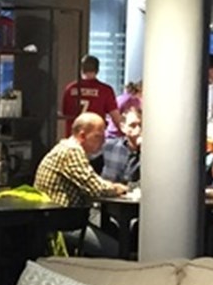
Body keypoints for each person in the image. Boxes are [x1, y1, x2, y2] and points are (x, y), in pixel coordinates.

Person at [36, 111, 129, 256]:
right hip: (63, 223)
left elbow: (91, 181)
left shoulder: (65, 147)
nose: (103, 141)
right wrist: (118, 188)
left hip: (58, 219)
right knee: (119, 250)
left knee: (112, 232)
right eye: (98, 136)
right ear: (82, 135)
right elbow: (96, 188)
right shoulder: (72, 151)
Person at [60, 55, 120, 136]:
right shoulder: (105, 90)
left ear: (81, 69)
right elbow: (115, 117)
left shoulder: (70, 89)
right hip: (95, 137)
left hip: (74, 136)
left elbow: (65, 114)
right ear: (97, 70)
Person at [99, 105, 143, 185]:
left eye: (141, 125)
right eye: (132, 125)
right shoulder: (109, 147)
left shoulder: (152, 155)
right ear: (123, 127)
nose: (138, 130)